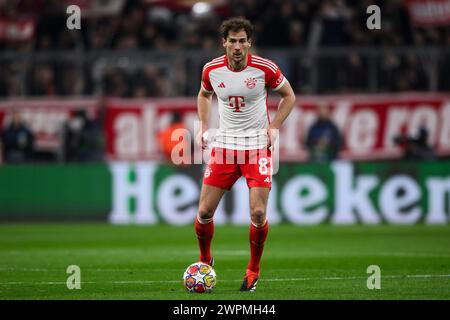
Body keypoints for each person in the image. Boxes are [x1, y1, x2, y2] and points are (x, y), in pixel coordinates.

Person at [194, 17, 296, 292]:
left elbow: (289, 96)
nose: (237, 46)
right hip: (225, 146)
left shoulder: (265, 68)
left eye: (242, 41)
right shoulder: (212, 70)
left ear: (249, 42)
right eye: (233, 41)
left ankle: (253, 270)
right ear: (224, 42)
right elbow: (204, 95)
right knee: (204, 212)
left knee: (259, 213)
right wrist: (204, 126)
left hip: (256, 148)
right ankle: (206, 260)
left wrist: (274, 127)